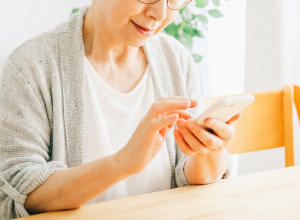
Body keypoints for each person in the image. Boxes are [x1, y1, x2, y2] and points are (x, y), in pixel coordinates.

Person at [0, 0, 240, 219]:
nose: (160, 14)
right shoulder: (32, 67)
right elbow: (23, 195)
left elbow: (194, 179)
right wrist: (122, 163)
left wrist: (209, 152)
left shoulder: (175, 59)